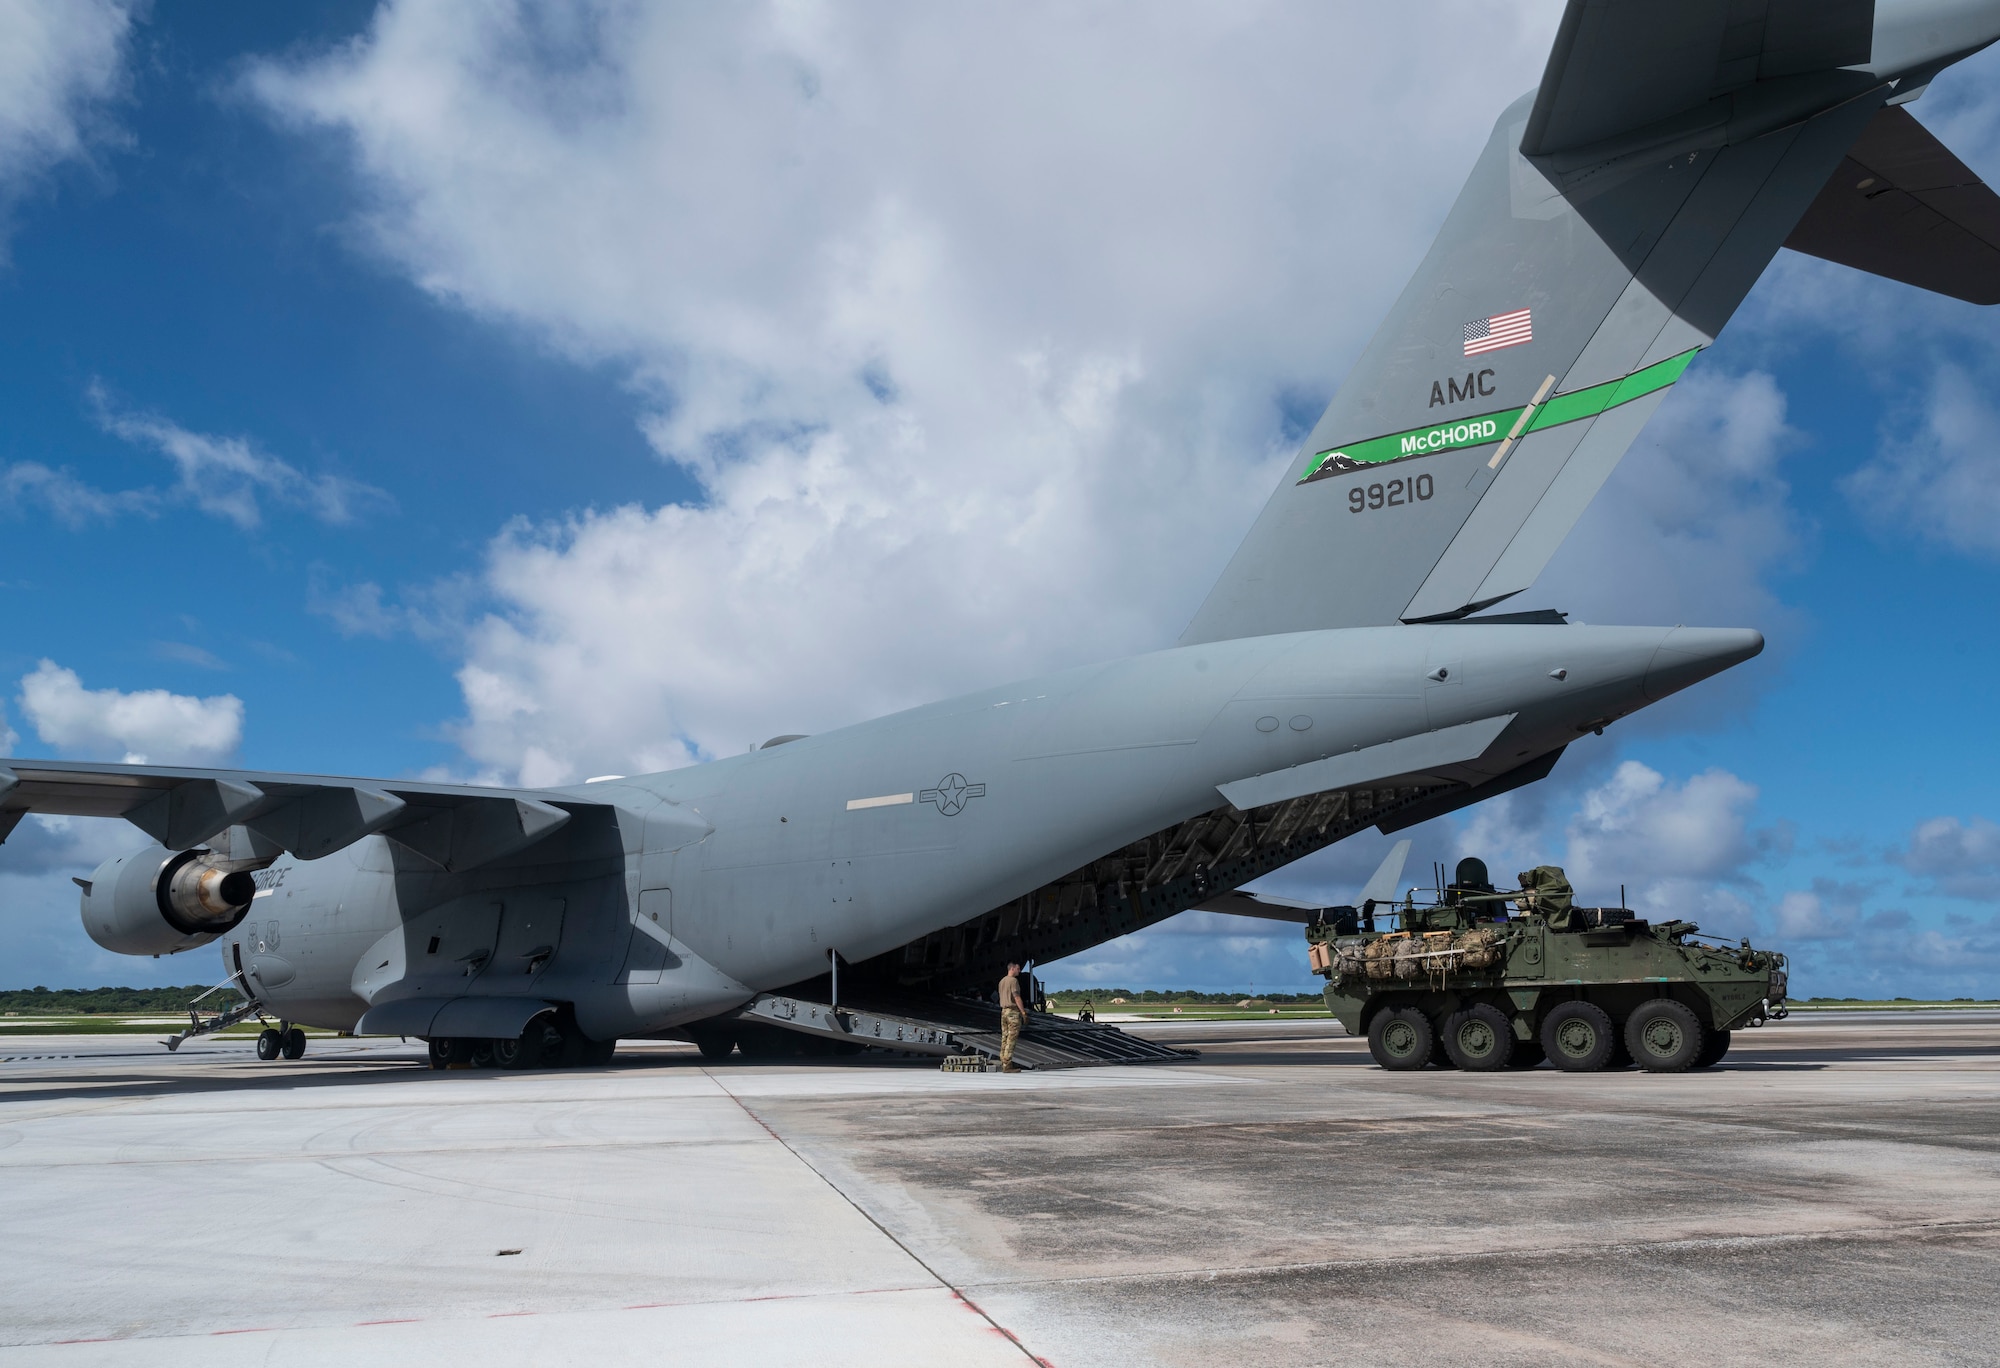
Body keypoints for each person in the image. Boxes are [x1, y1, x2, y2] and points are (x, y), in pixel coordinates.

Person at [997, 961, 1026, 1073]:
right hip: (1012, 1012)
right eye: (1018, 969)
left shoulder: (1002, 981)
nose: (1019, 971)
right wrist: (1023, 1012)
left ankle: (1003, 1060)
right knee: (1012, 1038)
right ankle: (1007, 1064)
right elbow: (1017, 997)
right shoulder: (1013, 981)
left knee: (1004, 1037)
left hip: (1003, 1012)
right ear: (1012, 968)